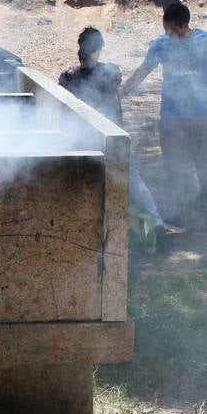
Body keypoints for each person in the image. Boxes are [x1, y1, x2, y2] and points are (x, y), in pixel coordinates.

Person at [59, 27, 177, 250]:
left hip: (84, 144)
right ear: (98, 50)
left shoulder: (67, 77)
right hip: (113, 140)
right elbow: (114, 80)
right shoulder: (111, 71)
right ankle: (157, 225)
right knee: (134, 184)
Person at [120, 2, 207, 224]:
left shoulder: (204, 41)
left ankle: (203, 210)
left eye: (170, 29)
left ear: (184, 25)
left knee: (203, 165)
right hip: (171, 118)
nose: (166, 33)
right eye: (164, 28)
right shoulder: (160, 44)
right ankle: (176, 212)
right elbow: (143, 71)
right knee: (174, 166)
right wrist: (121, 93)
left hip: (202, 117)